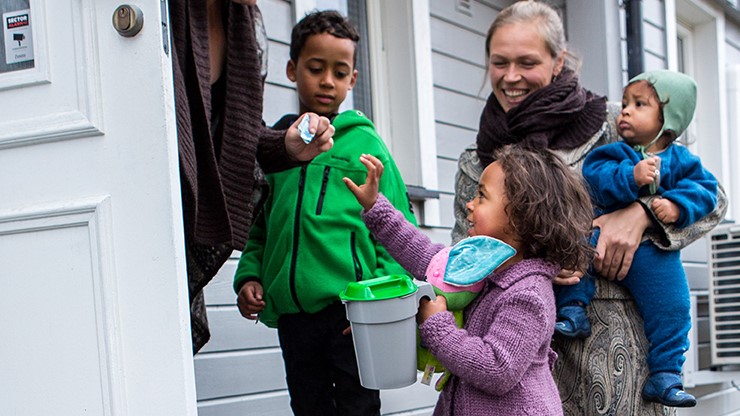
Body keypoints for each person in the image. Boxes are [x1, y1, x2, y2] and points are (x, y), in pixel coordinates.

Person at [450, 1, 728, 414]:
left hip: (621, 360)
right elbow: (463, 258)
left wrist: (641, 216)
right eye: (499, 62)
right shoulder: (477, 160)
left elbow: (713, 199)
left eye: (527, 62)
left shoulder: (618, 122)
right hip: (520, 364)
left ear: (558, 61)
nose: (511, 76)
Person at [232, 10, 416, 416]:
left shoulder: (366, 144)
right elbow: (258, 226)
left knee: (358, 407)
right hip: (295, 317)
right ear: (292, 69)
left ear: (353, 79)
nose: (327, 80)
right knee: (307, 406)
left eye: (340, 72)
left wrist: (380, 304)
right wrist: (249, 276)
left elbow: (397, 229)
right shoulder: (276, 146)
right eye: (316, 69)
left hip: (352, 313)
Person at [344, 146, 594, 415]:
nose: (470, 203)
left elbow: (497, 369)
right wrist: (375, 207)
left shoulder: (528, 294)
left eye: (482, 196)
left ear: (521, 216)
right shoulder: (482, 267)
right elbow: (423, 255)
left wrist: (437, 326)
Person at [169, 0, 335, 353]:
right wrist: (249, 275)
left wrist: (285, 146)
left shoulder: (241, 20)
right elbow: (263, 231)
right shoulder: (164, 13)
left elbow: (237, 133)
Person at [554, 70, 718, 407]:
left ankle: (666, 374)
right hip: (598, 235)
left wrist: (677, 205)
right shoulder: (613, 153)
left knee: (674, 305)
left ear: (668, 120)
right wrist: (630, 176)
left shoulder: (683, 162)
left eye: (639, 104)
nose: (625, 110)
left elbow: (707, 192)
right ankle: (573, 310)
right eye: (626, 102)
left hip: (652, 252)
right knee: (573, 253)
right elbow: (593, 181)